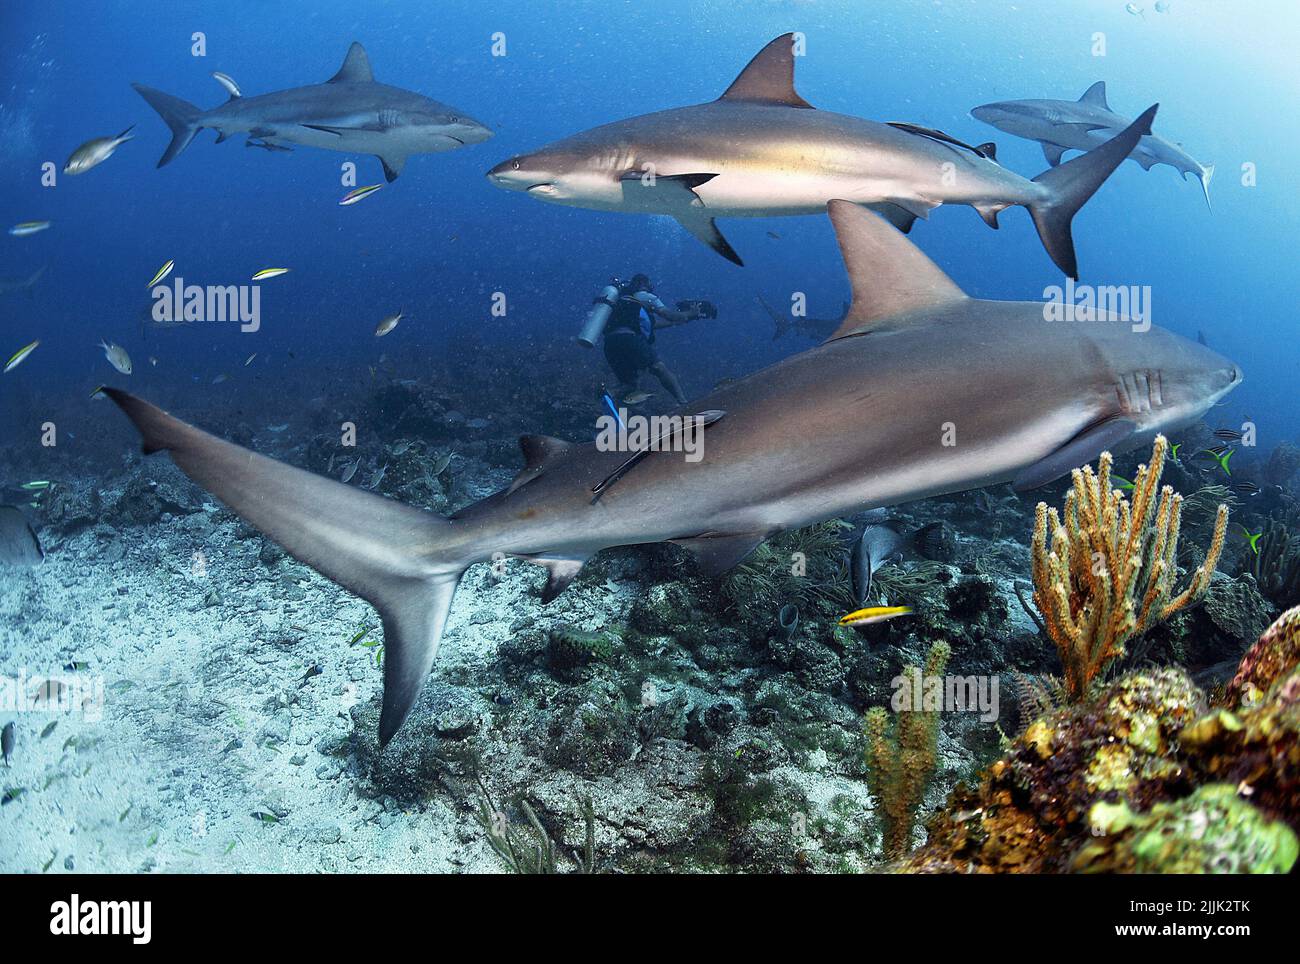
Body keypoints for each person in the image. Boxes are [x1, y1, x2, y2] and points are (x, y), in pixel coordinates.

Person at [600, 274, 715, 405]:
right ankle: (683, 402)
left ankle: (608, 393)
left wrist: (679, 321)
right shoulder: (645, 296)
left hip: (610, 344)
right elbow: (670, 315)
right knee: (659, 368)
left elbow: (653, 325)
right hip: (629, 339)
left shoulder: (622, 303)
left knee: (629, 384)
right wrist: (691, 313)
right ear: (644, 284)